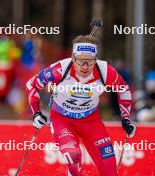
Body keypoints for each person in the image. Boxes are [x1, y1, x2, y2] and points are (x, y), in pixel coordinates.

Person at [26, 34, 136, 176]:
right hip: (62, 120)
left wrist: (126, 119)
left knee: (108, 168)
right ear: (73, 59)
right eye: (80, 61)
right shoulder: (60, 69)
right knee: (73, 156)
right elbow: (32, 85)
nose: (85, 67)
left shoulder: (105, 71)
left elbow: (124, 89)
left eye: (90, 62)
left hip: (90, 121)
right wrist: (36, 113)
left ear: (96, 60)